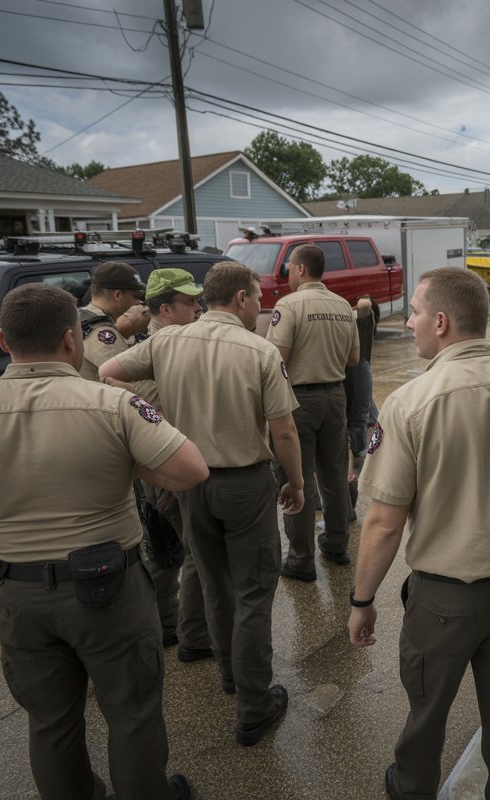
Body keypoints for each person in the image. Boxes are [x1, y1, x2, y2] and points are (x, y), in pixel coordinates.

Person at [0, 283, 209, 800]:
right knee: (131, 714)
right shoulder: (112, 405)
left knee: (51, 719)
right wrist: (126, 461)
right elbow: (189, 471)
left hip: (20, 592)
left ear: (1, 340)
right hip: (110, 588)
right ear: (71, 339)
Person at [347, 267, 490, 800]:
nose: (410, 325)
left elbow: (384, 521)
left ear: (442, 322)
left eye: (417, 313)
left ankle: (411, 789)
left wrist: (362, 600)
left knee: (426, 715)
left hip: (443, 602)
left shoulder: (409, 403)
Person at [100, 261, 304, 748]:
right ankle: (254, 705)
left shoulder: (168, 339)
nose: (261, 305)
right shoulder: (258, 350)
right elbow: (283, 429)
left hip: (191, 481)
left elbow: (106, 372)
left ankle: (231, 673)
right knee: (254, 592)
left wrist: (154, 423)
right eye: (256, 296)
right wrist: (296, 482)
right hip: (245, 483)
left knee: (214, 582)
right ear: (238, 299)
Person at [125, 268, 212, 660]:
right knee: (188, 550)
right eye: (189, 302)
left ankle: (170, 623)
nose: (198, 308)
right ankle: (190, 635)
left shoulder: (161, 343)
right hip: (167, 468)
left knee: (169, 549)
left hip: (163, 465)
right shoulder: (159, 349)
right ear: (165, 308)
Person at [266, 244, 359, 581]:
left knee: (297, 478)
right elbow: (353, 359)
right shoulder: (342, 306)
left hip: (299, 401)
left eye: (290, 267)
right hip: (336, 397)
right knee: (334, 476)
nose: (288, 273)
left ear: (301, 269)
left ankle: (301, 560)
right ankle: (337, 545)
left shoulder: (288, 305)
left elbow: (277, 359)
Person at [78, 261, 150, 382]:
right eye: (136, 296)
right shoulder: (101, 332)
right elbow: (128, 381)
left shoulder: (80, 316)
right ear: (118, 295)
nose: (138, 303)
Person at [344, 295, 376, 520]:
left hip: (356, 404)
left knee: (358, 429)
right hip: (360, 399)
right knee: (365, 422)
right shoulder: (361, 357)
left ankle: (360, 462)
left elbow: (365, 306)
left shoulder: (355, 360)